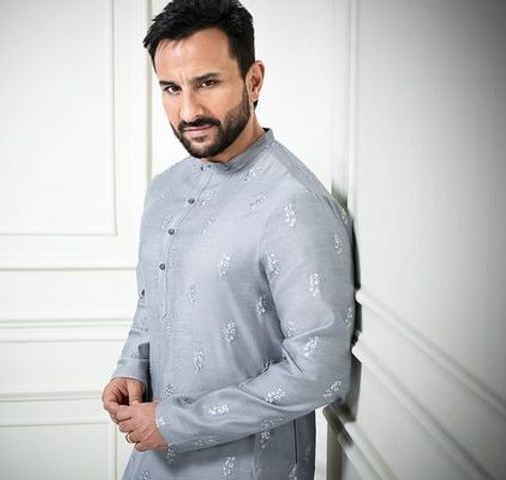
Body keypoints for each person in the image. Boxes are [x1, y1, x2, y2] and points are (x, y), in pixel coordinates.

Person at [101, 1, 355, 478]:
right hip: (152, 459)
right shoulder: (165, 188)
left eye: (208, 83)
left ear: (253, 81)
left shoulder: (295, 204)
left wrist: (174, 423)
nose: (188, 110)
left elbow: (320, 372)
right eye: (171, 88)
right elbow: (153, 299)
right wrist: (132, 366)